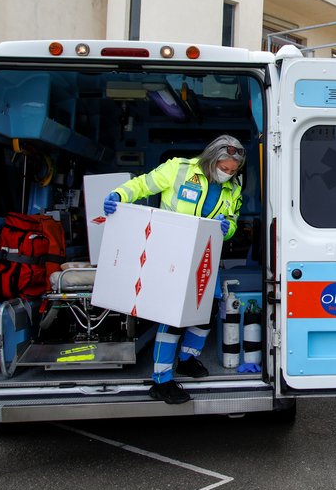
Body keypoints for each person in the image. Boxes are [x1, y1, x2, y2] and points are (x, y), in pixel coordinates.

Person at [103, 135, 244, 404]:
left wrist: (228, 228)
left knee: (207, 311)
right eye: (224, 168)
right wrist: (119, 195)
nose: (227, 174)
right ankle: (162, 380)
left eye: (232, 171)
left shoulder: (233, 188)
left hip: (205, 255)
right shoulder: (178, 169)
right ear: (211, 159)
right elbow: (143, 185)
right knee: (173, 318)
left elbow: (233, 220)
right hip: (172, 254)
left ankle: (187, 359)